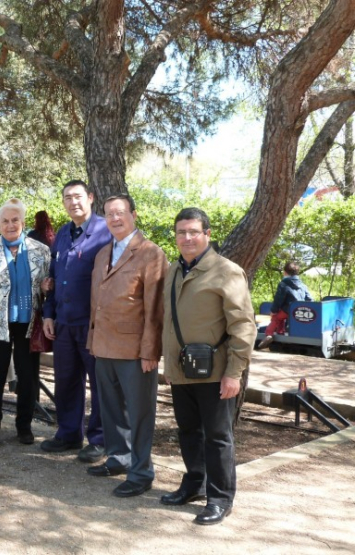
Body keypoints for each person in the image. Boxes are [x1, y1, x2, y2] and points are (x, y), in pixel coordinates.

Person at [161, 207, 256, 525]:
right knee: (188, 431)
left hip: (216, 372)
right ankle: (195, 484)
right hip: (183, 369)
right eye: (181, 232)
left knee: (218, 436)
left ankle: (220, 498)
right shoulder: (175, 270)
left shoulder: (227, 271)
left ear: (207, 234)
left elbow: (243, 326)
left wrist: (234, 373)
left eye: (193, 232)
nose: (186, 238)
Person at [86, 194, 167, 497]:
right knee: (110, 410)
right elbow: (97, 301)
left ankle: (142, 471)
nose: (115, 219)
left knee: (139, 413)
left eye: (120, 213)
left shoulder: (150, 253)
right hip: (103, 346)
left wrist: (150, 351)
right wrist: (92, 340)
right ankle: (118, 458)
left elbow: (155, 308)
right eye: (109, 214)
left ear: (134, 214)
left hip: (134, 350)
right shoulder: (102, 253)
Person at [0, 198, 51, 451]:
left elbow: (48, 287)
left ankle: (24, 427)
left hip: (28, 325)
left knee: (28, 379)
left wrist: (48, 288)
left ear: (23, 222)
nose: (10, 224)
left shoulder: (40, 251)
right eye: (5, 221)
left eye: (15, 220)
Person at [40, 179, 112, 462]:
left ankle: (99, 439)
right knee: (66, 381)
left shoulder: (107, 231)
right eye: (68, 198)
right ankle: (69, 433)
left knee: (99, 383)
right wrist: (48, 313)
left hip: (94, 323)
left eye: (78, 196)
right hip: (64, 323)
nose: (74, 202)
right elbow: (53, 276)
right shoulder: (62, 233)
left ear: (91, 198)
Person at [258, 260, 313, 349]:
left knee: (276, 317)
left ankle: (268, 334)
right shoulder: (302, 285)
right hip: (300, 311)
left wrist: (273, 311)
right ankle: (280, 331)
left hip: (288, 310)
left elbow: (278, 299)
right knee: (281, 317)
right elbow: (310, 299)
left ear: (285, 272)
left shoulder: (283, 284)